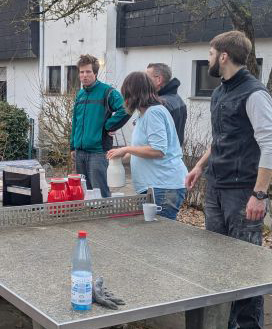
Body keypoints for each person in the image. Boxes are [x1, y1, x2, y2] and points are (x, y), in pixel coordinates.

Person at [185, 31, 272, 329]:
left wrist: (259, 194)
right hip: (217, 185)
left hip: (243, 193)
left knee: (245, 265)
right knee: (218, 263)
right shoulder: (221, 92)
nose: (208, 59)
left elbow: (269, 145)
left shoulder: (255, 94)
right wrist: (199, 166)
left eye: (210, 53)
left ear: (224, 56)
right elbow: (221, 138)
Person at [107, 72, 187, 220]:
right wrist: (118, 157)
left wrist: (126, 148)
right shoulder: (144, 115)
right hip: (155, 187)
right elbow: (142, 150)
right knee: (153, 237)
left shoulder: (153, 113)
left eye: (126, 94)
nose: (125, 99)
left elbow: (158, 150)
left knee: (159, 237)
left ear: (134, 94)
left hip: (163, 186)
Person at [70, 54, 130, 198]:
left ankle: (104, 218)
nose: (84, 75)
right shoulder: (80, 95)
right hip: (80, 152)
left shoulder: (107, 92)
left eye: (88, 72)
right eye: (82, 72)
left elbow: (126, 109)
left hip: (98, 152)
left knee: (100, 193)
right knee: (85, 193)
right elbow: (76, 122)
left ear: (95, 73)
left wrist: (109, 125)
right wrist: (73, 146)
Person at [147, 62, 187, 147]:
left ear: (159, 80)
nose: (144, 82)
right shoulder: (178, 99)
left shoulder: (160, 104)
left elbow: (155, 144)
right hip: (174, 155)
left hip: (161, 158)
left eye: (147, 78)